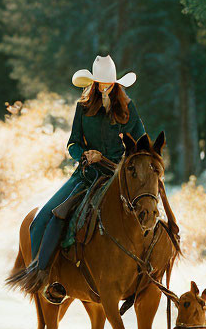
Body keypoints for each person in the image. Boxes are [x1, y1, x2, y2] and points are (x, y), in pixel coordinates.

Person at [29, 54, 146, 304]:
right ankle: (46, 278)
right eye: (101, 83)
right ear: (93, 83)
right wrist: (84, 154)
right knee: (43, 219)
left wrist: (130, 164)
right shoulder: (83, 107)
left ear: (116, 83)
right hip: (86, 175)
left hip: (119, 176)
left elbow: (141, 143)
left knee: (149, 210)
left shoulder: (129, 108)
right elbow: (72, 142)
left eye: (110, 83)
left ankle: (147, 275)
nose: (105, 87)